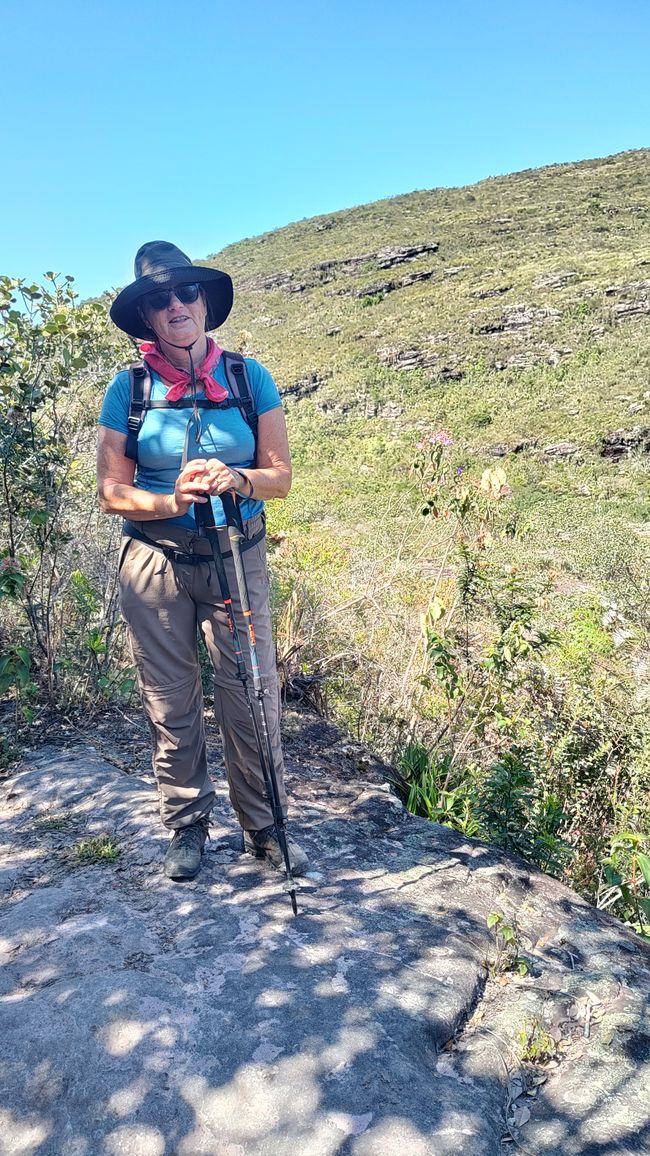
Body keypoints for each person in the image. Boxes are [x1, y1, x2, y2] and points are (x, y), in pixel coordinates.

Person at [97, 240, 308, 882]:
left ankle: (264, 827)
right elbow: (110, 492)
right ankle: (186, 827)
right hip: (155, 561)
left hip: (235, 555)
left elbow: (281, 478)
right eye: (159, 300)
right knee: (171, 698)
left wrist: (236, 479)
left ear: (206, 303)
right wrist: (169, 500)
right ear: (147, 317)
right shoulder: (129, 389)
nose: (176, 305)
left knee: (251, 693)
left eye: (186, 293)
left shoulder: (250, 378)